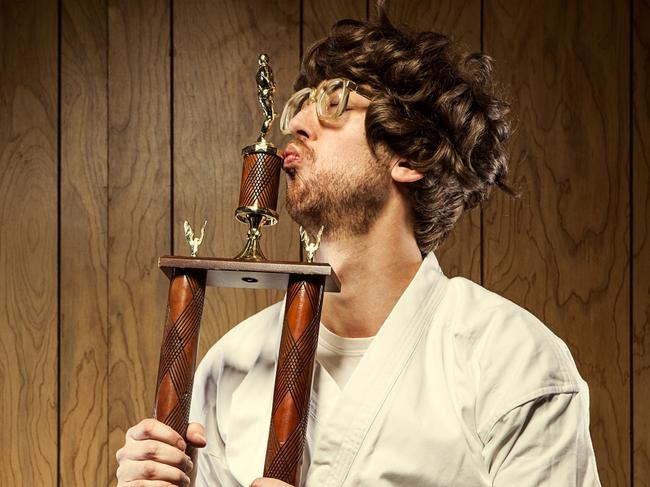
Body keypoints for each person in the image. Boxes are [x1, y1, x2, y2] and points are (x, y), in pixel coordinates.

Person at [115, 2, 601, 486]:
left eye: (332, 102)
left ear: (410, 155)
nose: (295, 125)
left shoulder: (513, 362)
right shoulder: (233, 363)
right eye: (298, 104)